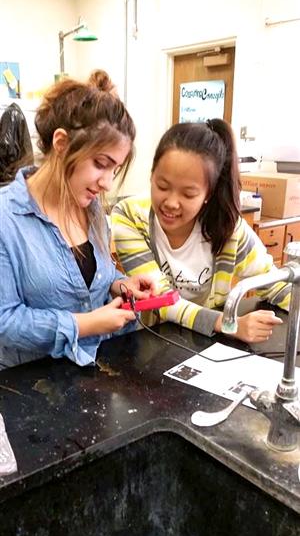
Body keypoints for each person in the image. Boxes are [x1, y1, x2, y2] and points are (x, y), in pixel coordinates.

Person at [0, 71, 156, 370]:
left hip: (95, 372)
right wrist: (85, 324)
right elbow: (5, 321)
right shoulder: (6, 219)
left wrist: (120, 285)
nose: (108, 183)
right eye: (101, 164)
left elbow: (93, 275)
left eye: (115, 169)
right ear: (62, 143)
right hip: (30, 385)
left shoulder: (91, 206)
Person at [112, 119, 290, 344]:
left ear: (208, 193)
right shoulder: (130, 217)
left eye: (188, 194)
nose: (171, 203)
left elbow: (273, 283)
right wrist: (227, 323)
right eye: (162, 186)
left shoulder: (228, 228)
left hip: (206, 345)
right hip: (150, 344)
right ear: (151, 175)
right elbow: (161, 300)